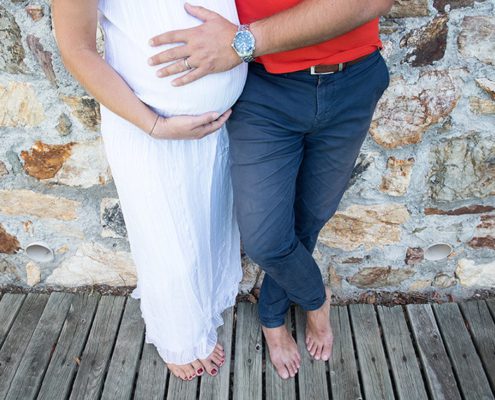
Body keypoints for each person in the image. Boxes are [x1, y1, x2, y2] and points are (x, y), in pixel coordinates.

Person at [146, 0, 395, 380]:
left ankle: (273, 316)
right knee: (265, 239)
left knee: (310, 218)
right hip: (264, 88)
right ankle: (316, 298)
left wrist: (243, 41)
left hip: (353, 80)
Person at [52, 0, 248, 381]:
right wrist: (154, 125)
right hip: (148, 127)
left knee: (207, 227)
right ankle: (181, 338)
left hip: (219, 124)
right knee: (167, 240)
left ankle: (205, 308)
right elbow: (75, 48)